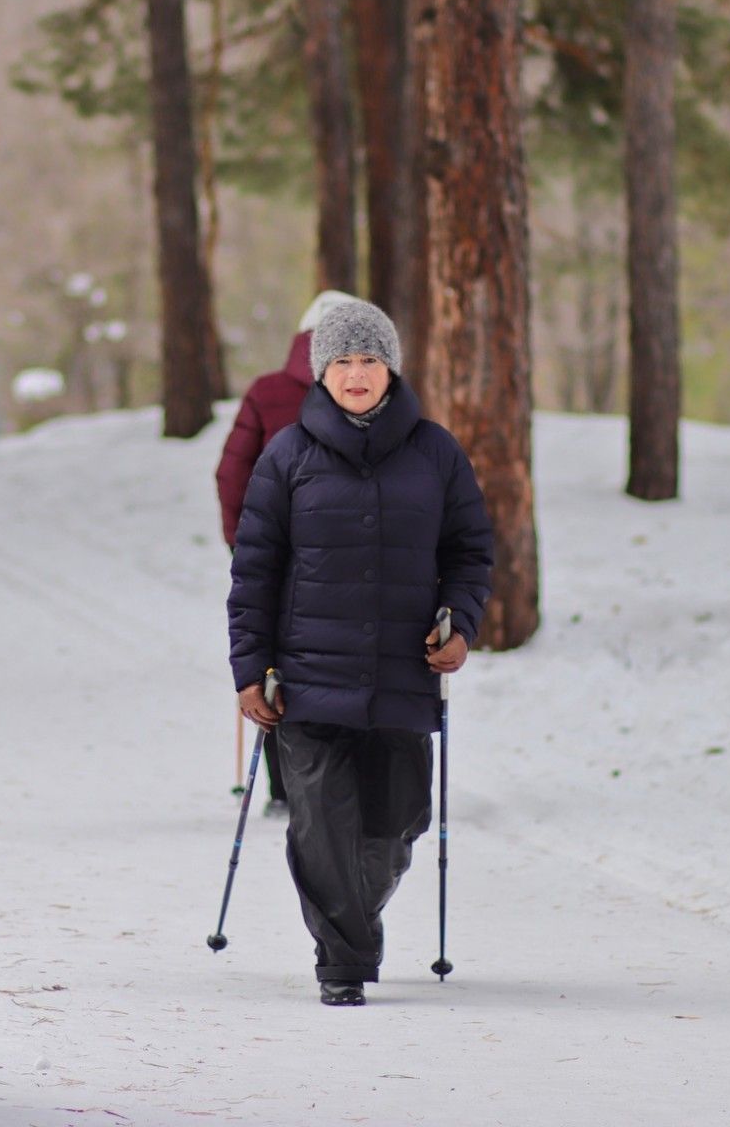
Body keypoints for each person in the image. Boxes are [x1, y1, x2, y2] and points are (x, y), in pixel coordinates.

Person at [227, 300, 494, 1007]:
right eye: (342, 361)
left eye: (369, 359)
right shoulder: (287, 455)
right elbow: (254, 570)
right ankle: (342, 960)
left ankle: (352, 919)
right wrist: (249, 671)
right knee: (320, 826)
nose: (356, 374)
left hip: (402, 676)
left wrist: (459, 624)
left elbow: (470, 551)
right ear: (321, 370)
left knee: (397, 820)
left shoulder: (436, 452)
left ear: (390, 368)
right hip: (309, 679)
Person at [215, 289, 358, 814]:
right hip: (351, 551)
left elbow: (232, 472)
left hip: (275, 551)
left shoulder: (267, 391)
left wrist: (241, 543)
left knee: (275, 660)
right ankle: (346, 780)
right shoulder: (367, 392)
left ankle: (283, 788)